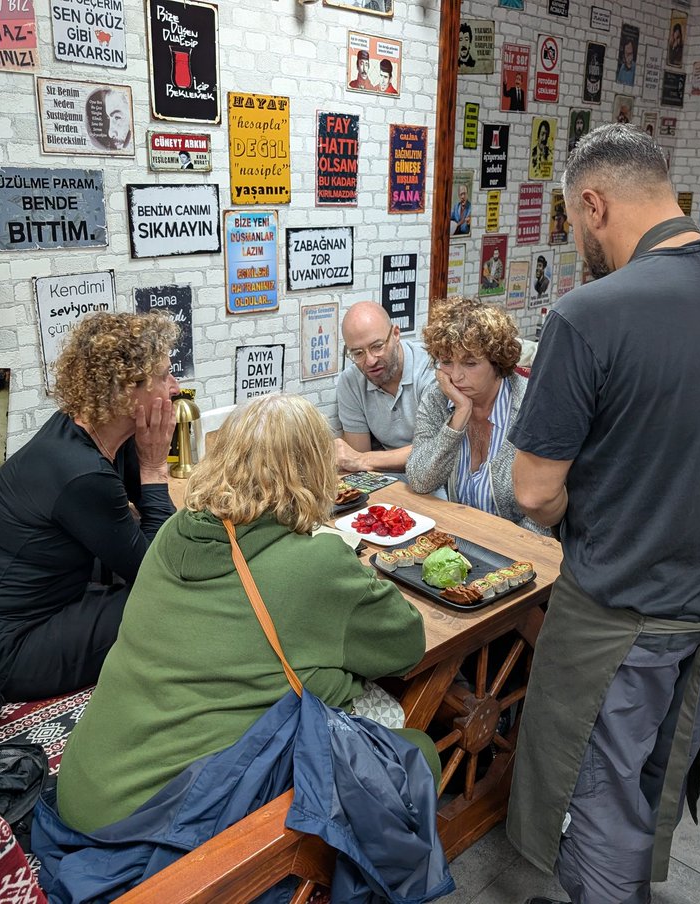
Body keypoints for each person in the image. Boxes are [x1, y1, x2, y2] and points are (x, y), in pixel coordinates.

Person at [505, 123, 700, 904]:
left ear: (594, 204)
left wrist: (581, 510)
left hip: (623, 611)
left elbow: (534, 492)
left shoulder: (591, 313)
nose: (579, 243)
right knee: (655, 777)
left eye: (574, 224)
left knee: (596, 791)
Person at [56, 393, 436, 834]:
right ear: (315, 469)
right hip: (158, 818)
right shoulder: (317, 563)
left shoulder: (174, 532)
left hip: (85, 787)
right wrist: (337, 675)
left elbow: (240, 652)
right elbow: (406, 647)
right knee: (415, 751)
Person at [0, 312, 180, 700]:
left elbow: (154, 528)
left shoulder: (91, 433)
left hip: (27, 619)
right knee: (168, 602)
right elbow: (156, 570)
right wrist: (155, 466)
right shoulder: (80, 472)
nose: (174, 387)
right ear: (127, 389)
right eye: (164, 375)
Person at [405, 299, 545, 534]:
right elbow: (420, 480)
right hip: (460, 537)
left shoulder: (532, 405)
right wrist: (458, 416)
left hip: (518, 548)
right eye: (447, 362)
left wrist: (510, 549)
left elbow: (543, 512)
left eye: (470, 364)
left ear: (497, 362)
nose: (457, 376)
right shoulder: (437, 398)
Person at [335, 301, 436, 473]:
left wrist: (364, 460)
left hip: (436, 477)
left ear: (396, 334)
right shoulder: (350, 381)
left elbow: (434, 451)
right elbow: (357, 459)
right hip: (385, 477)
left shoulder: (431, 369)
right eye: (358, 353)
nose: (370, 361)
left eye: (377, 347)